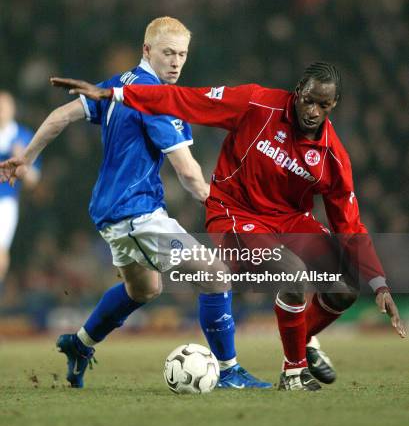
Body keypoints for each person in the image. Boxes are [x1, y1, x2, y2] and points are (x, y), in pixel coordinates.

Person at [49, 61, 406, 391]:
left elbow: (350, 223)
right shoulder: (256, 103)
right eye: (309, 101)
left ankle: (302, 338)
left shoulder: (333, 156)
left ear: (334, 105)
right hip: (235, 212)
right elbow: (187, 100)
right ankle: (293, 370)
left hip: (290, 221)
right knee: (293, 275)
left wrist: (378, 283)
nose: (313, 111)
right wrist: (116, 93)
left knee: (344, 286)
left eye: (323, 106)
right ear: (298, 91)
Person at [0, 17, 270, 390]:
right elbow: (189, 175)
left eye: (182, 54)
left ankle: (79, 344)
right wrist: (225, 206)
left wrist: (27, 158)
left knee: (143, 290)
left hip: (111, 211)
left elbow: (61, 116)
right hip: (137, 212)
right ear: (147, 50)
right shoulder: (159, 101)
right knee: (215, 276)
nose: (176, 62)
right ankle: (229, 372)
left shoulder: (119, 85)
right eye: (167, 53)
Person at [0, 92, 40, 293]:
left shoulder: (23, 137)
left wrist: (21, 163)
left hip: (4, 201)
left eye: (5, 107)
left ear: (13, 109)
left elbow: (34, 179)